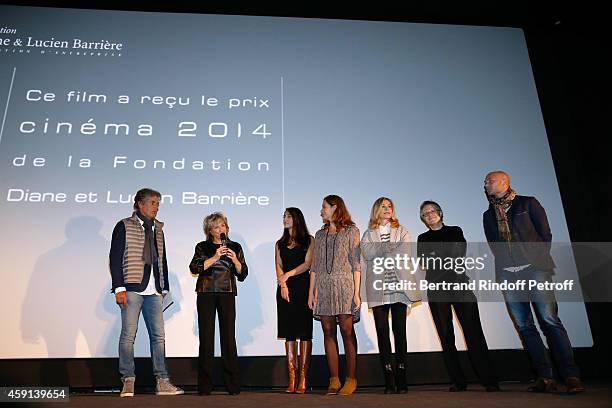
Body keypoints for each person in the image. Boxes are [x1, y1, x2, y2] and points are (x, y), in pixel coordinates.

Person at [483, 171, 585, 394]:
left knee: (550, 320)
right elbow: (494, 244)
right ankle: (545, 378)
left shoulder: (527, 203)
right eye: (485, 182)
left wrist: (535, 260)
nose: (486, 184)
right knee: (525, 327)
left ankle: (571, 376)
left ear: (504, 182)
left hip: (535, 270)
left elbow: (545, 233)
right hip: (508, 274)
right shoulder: (488, 215)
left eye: (489, 181)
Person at [417, 200, 499, 392]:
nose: (429, 215)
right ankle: (458, 381)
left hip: (460, 286)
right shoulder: (423, 238)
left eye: (432, 211)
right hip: (437, 290)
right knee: (446, 337)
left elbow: (458, 253)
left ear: (440, 213)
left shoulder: (455, 230)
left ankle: (489, 380)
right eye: (425, 214)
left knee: (474, 333)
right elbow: (425, 262)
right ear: (423, 219)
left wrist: (438, 256)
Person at [109, 188, 184, 397]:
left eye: (158, 203)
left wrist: (165, 287)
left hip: (154, 291)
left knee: (158, 337)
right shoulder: (124, 225)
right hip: (132, 288)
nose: (156, 206)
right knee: (128, 336)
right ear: (140, 204)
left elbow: (162, 259)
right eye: (152, 202)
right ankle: (128, 380)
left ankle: (162, 381)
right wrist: (119, 288)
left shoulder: (159, 229)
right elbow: (115, 258)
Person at [361, 197, 421, 393]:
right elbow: (368, 254)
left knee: (400, 332)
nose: (387, 209)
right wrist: (389, 248)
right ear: (376, 210)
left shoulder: (402, 230)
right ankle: (389, 380)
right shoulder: (369, 233)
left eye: (389, 206)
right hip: (379, 288)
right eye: (383, 206)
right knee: (382, 332)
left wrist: (383, 250)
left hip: (399, 288)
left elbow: (405, 252)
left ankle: (402, 378)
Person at [189, 212, 248, 395]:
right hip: (206, 292)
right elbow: (194, 268)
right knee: (206, 338)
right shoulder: (202, 247)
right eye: (216, 227)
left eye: (223, 226)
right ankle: (205, 386)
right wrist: (215, 257)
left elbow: (243, 273)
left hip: (227, 292)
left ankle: (232, 385)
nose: (220, 229)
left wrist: (236, 260)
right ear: (210, 230)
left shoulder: (235, 246)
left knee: (229, 338)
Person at [308, 195, 361, 395]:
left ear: (335, 207)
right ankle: (334, 380)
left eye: (324, 207)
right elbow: (315, 266)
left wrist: (356, 293)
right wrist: (311, 293)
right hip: (323, 287)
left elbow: (356, 264)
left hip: (345, 285)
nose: (321, 210)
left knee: (347, 331)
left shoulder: (351, 231)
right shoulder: (319, 235)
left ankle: (351, 378)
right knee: (328, 331)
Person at [275, 207, 315, 393]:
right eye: (284, 216)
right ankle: (292, 379)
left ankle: (303, 380)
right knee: (289, 332)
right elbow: (278, 265)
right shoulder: (279, 243)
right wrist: (283, 284)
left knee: (305, 332)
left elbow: (308, 264)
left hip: (303, 288)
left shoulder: (309, 240)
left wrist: (288, 275)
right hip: (285, 291)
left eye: (288, 216)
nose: (285, 219)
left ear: (297, 218)